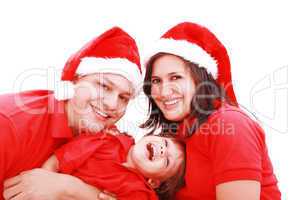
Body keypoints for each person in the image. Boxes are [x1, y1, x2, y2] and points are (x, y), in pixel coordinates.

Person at [141, 22, 281, 199]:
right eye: (156, 81)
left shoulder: (229, 124)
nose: (164, 91)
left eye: (175, 77)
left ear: (200, 80)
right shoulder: (177, 136)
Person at [1, 27, 143, 200]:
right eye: (104, 86)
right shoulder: (8, 125)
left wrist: (70, 188)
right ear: (74, 80)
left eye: (124, 97)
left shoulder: (108, 141)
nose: (112, 104)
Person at [42, 131, 185, 200]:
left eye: (167, 161)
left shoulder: (140, 193)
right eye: (165, 143)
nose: (163, 150)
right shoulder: (107, 140)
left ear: (153, 182)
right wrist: (42, 179)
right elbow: (57, 161)